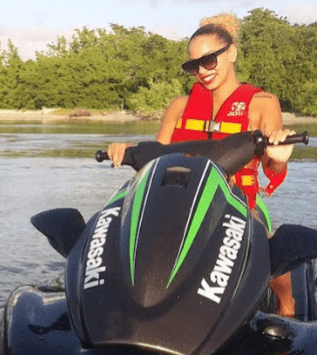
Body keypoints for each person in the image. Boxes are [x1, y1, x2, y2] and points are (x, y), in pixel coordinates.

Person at [107, 14, 296, 316]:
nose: (202, 71)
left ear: (231, 53)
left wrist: (279, 156)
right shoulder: (179, 106)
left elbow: (272, 167)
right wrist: (128, 151)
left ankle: (288, 305)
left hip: (238, 200)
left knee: (264, 240)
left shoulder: (262, 103)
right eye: (193, 65)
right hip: (183, 201)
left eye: (209, 61)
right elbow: (157, 161)